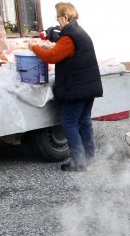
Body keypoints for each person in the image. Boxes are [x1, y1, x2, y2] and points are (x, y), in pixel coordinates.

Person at [30, 3, 103, 172]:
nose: (58, 21)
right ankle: (89, 157)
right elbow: (63, 50)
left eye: (58, 18)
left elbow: (51, 57)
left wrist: (33, 48)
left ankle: (79, 162)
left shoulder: (69, 37)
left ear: (65, 17)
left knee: (69, 122)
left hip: (77, 89)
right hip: (88, 87)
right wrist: (50, 45)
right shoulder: (79, 32)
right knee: (84, 121)